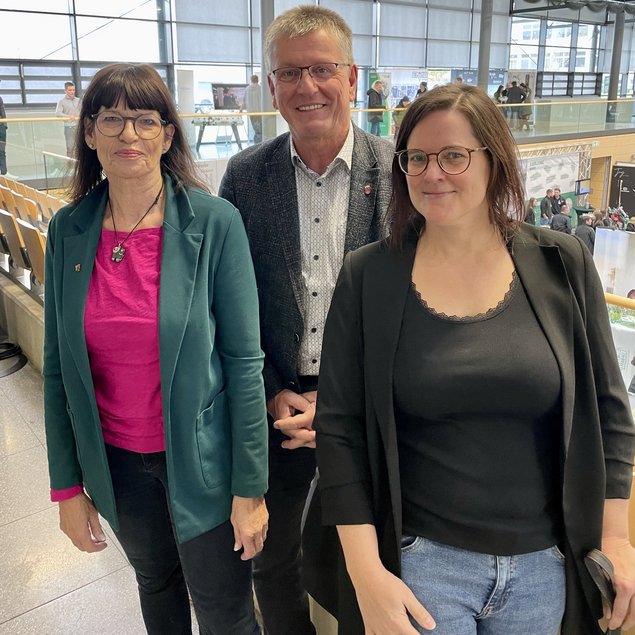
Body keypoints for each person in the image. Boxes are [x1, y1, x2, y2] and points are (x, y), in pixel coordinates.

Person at [308, 83, 635, 635]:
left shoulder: (561, 262)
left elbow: (609, 408)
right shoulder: (369, 275)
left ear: (494, 159)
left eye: (453, 155)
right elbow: (339, 430)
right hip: (422, 565)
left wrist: (617, 538)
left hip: (545, 568)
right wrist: (366, 574)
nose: (432, 173)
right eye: (416, 158)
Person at [43, 63, 268, 635]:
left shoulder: (215, 223)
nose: (128, 134)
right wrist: (67, 487)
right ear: (89, 132)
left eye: (145, 120)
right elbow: (58, 370)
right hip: (116, 462)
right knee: (156, 587)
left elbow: (245, 365)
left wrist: (250, 488)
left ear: (167, 135)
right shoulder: (69, 229)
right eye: (111, 119)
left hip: (204, 461)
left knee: (225, 612)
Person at [218, 6, 393, 634]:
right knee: (273, 561)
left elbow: (414, 309)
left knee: (368, 563)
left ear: (351, 77)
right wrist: (269, 391)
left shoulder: (399, 172)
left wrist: (344, 403)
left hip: (370, 406)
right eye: (290, 73)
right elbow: (228, 304)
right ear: (272, 87)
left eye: (322, 69)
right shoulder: (245, 176)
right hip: (278, 408)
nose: (307, 86)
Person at [56, 81, 82, 157]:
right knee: (70, 148)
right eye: (70, 90)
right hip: (69, 128)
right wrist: (68, 116)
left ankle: (79, 163)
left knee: (80, 148)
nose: (72, 92)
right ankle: (70, 164)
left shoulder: (79, 101)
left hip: (79, 127)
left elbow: (83, 111)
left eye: (73, 90)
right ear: (65, 91)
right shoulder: (61, 102)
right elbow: (58, 113)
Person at [244, 74, 263, 144]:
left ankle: (257, 143)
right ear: (258, 80)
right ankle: (259, 143)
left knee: (256, 128)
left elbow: (244, 101)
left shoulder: (247, 89)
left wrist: (240, 110)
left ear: (251, 80)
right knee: (260, 128)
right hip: (261, 111)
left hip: (251, 112)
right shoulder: (261, 88)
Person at [0, 81, 7, 175]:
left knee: (2, 151)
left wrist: (4, 126)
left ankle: (4, 172)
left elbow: (3, 115)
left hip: (1, 127)